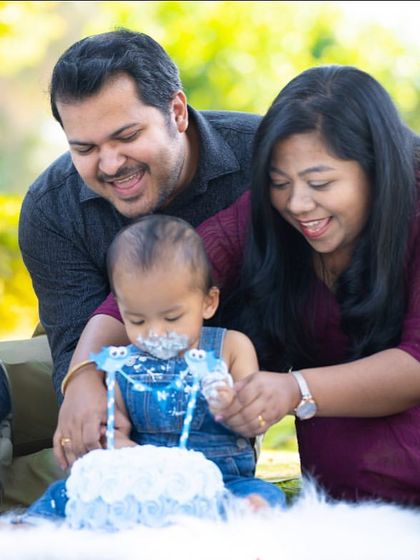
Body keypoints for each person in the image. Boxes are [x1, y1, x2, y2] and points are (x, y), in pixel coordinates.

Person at [75, 64, 420, 506]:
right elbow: (162, 272)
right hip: (338, 504)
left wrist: (296, 389)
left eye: (321, 183)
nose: (296, 203)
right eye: (279, 183)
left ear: (377, 169)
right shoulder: (267, 217)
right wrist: (84, 376)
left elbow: (415, 362)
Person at [0, 26, 261, 502]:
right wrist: (83, 388)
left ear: (176, 112)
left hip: (212, 398)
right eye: (85, 148)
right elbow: (73, 345)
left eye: (127, 136)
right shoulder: (53, 207)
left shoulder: (260, 159)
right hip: (100, 359)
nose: (110, 163)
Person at [25, 215, 285, 521]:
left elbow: (255, 421)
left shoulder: (231, 348)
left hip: (221, 478)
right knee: (67, 492)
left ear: (208, 302)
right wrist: (122, 448)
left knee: (265, 495)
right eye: (136, 320)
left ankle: (241, 517)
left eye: (172, 317)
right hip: (145, 484)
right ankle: (33, 525)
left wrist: (229, 404)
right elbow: (112, 430)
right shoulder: (122, 364)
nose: (155, 333)